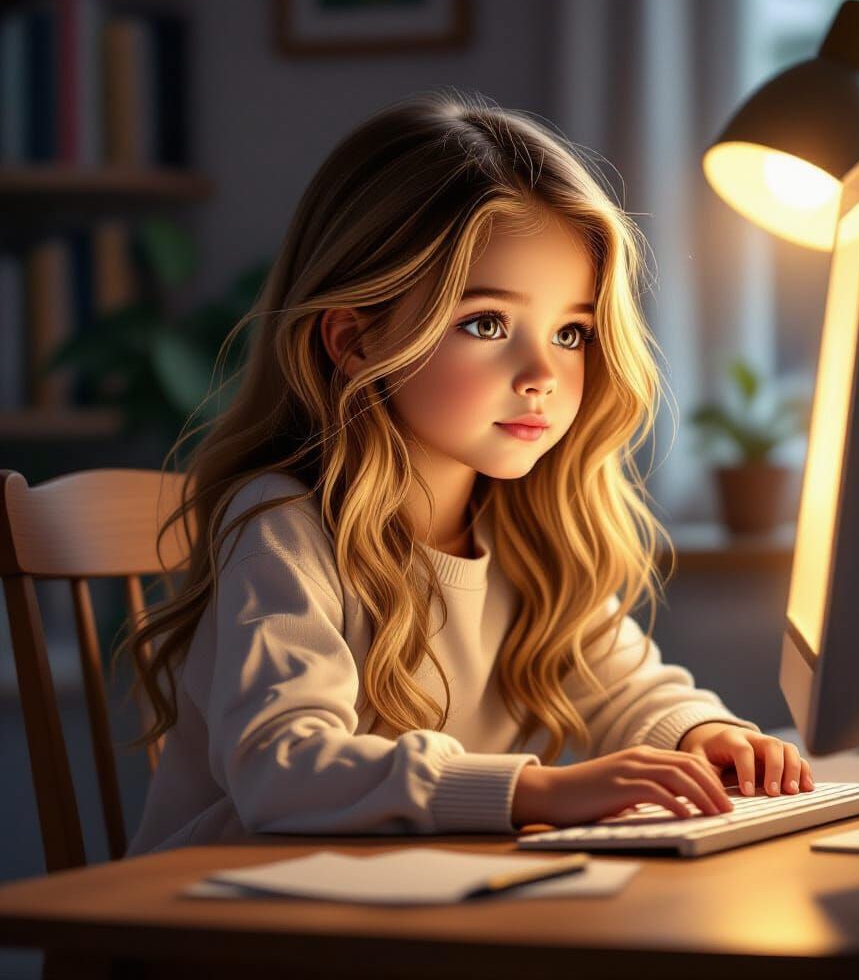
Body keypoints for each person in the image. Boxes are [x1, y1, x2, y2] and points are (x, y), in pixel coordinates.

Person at [119, 89, 814, 857]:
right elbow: (284, 766)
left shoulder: (524, 530)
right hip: (220, 927)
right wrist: (535, 790)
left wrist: (700, 731)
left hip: (400, 909)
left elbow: (621, 684)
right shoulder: (280, 524)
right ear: (353, 340)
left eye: (572, 331)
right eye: (486, 323)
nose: (543, 372)